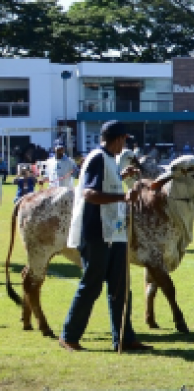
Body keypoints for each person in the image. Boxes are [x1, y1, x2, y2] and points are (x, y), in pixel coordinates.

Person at [59, 121, 150, 352]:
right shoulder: (97, 157)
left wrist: (121, 175)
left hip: (114, 232)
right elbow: (89, 193)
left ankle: (124, 338)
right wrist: (123, 198)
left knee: (120, 287)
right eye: (124, 140)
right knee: (92, 286)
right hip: (96, 233)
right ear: (118, 138)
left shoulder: (109, 159)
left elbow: (105, 183)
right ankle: (69, 336)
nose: (125, 144)